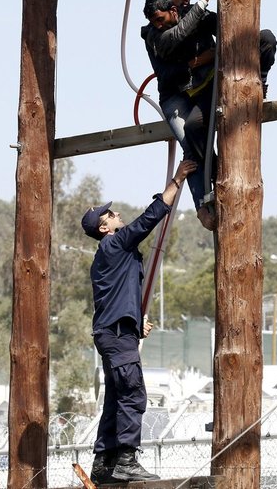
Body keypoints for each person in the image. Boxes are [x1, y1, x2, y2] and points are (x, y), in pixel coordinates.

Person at [81, 159, 197, 485]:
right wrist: (178, 179)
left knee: (117, 397)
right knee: (133, 395)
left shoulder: (111, 255)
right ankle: (127, 460)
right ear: (104, 228)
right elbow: (148, 220)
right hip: (117, 334)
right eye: (111, 215)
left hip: (115, 331)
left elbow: (118, 297)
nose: (117, 214)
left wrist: (134, 324)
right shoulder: (115, 244)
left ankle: (104, 463)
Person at [141, 0, 277, 230]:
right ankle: (203, 205)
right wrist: (195, 60)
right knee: (192, 144)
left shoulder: (197, 17)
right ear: (168, 2)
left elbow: (229, 32)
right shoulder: (153, 34)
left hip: (203, 90)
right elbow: (176, 41)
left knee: (265, 38)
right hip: (176, 96)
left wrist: (234, 46)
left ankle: (259, 85)